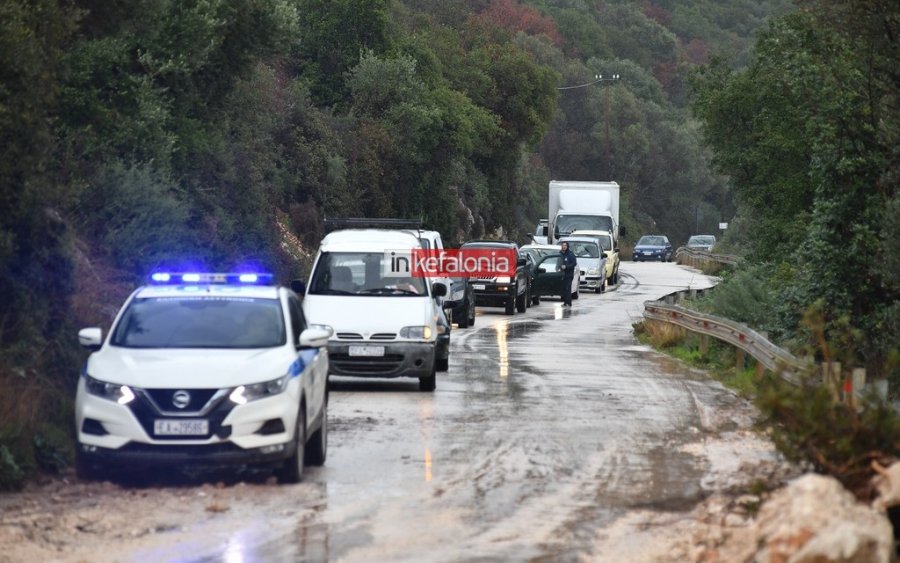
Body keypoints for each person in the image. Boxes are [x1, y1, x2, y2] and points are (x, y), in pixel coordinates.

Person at [559, 241, 578, 307]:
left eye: (565, 245)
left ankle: (568, 303)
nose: (564, 246)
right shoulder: (560, 253)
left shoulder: (570, 254)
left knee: (568, 288)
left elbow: (574, 263)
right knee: (564, 289)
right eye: (563, 245)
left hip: (568, 274)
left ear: (567, 246)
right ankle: (565, 302)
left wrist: (566, 267)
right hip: (561, 274)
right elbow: (558, 262)